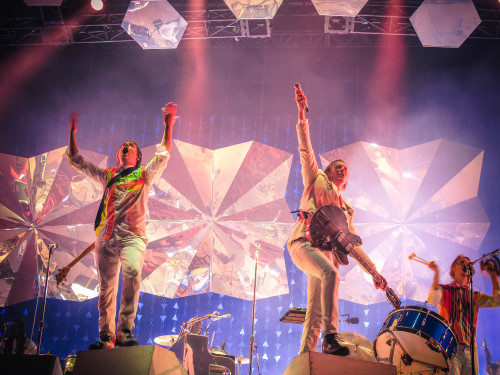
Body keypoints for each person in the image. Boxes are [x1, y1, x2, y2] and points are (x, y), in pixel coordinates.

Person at [286, 84, 388, 356]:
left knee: (315, 311)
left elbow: (352, 246)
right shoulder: (315, 178)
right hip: (302, 243)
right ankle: (331, 338)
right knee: (331, 273)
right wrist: (300, 113)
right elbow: (305, 149)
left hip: (324, 254)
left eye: (346, 168)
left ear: (346, 180)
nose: (342, 167)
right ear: (328, 170)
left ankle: (306, 359)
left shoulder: (346, 211)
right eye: (337, 165)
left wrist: (373, 272)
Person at [67, 102, 178, 348]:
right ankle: (106, 338)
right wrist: (72, 131)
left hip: (132, 237)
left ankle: (125, 332)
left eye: (132, 147)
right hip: (106, 238)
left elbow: (162, 155)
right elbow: (77, 161)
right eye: (123, 146)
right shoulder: (108, 175)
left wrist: (168, 125)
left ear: (137, 157)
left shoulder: (144, 175)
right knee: (106, 289)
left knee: (132, 276)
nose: (126, 146)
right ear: (118, 156)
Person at [428, 255, 500, 375]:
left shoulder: (474, 295)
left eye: (467, 263)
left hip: (471, 349)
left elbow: (497, 300)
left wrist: (493, 276)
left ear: (470, 272)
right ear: (453, 269)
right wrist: (436, 274)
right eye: (461, 262)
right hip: (450, 347)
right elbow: (433, 300)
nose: (464, 264)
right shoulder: (444, 289)